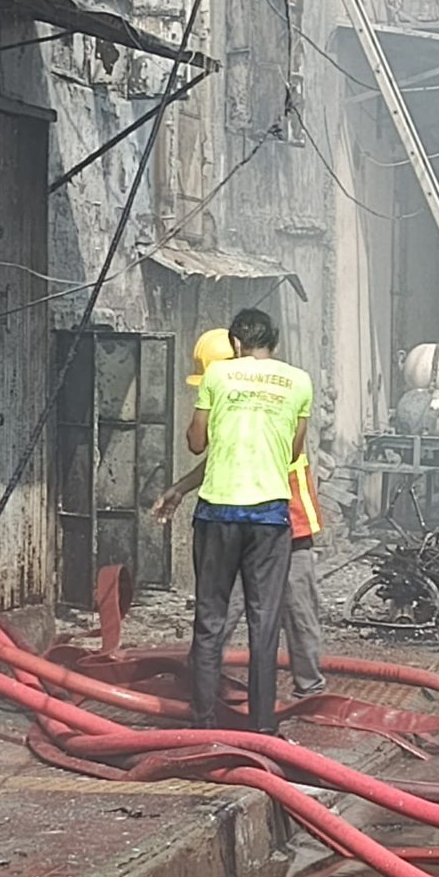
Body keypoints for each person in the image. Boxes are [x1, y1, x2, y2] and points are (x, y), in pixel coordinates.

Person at [154, 329, 329, 703]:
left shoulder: (267, 399)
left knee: (293, 612)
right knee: (228, 612)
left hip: (285, 521)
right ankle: (205, 687)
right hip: (256, 523)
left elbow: (217, 449)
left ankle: (309, 692)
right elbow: (219, 457)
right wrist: (181, 488)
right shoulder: (255, 395)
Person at [184, 308, 312, 734]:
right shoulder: (299, 381)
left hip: (216, 512)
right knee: (265, 623)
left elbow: (196, 442)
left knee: (210, 620)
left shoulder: (219, 377)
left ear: (236, 344)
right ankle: (263, 728)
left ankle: (202, 723)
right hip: (270, 516)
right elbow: (294, 452)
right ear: (273, 341)